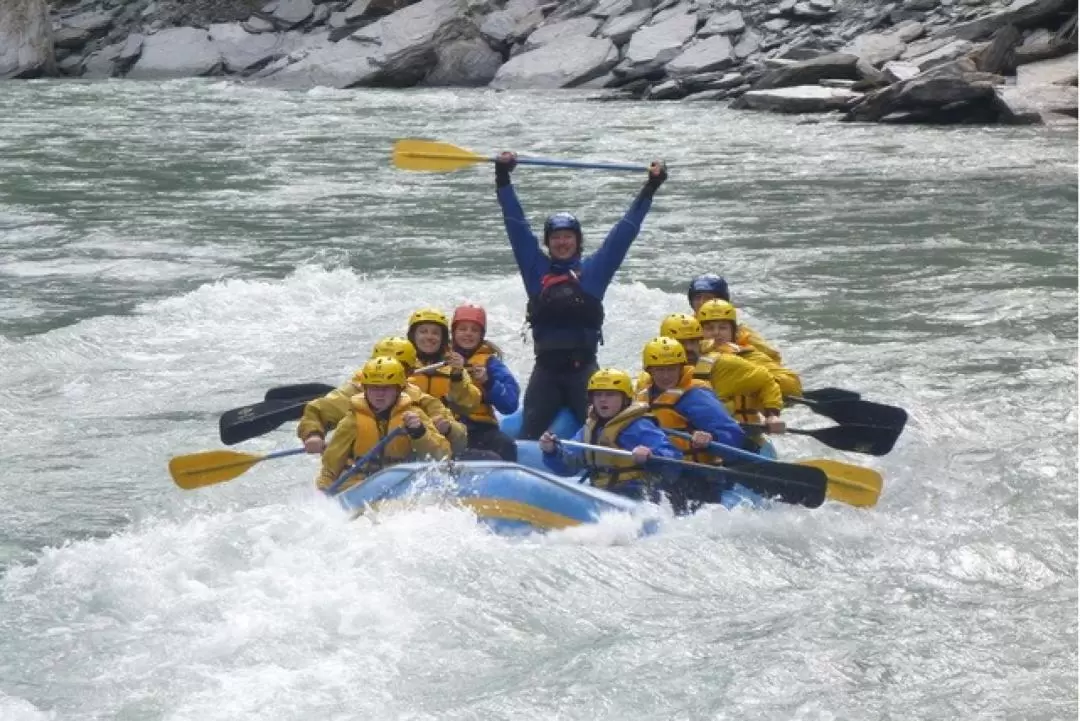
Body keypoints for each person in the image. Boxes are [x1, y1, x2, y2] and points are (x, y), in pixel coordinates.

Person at [494, 150, 668, 439]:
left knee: (602, 432)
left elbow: (625, 231)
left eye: (568, 236)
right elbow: (515, 224)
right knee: (527, 435)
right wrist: (502, 178)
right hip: (546, 372)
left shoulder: (594, 272)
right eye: (556, 237)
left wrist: (650, 187)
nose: (562, 242)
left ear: (578, 241)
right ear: (548, 242)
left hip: (583, 371)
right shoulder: (535, 269)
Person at [297, 336, 468, 456]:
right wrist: (313, 435)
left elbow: (459, 440)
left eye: (395, 367)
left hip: (406, 469)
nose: (386, 372)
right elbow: (317, 411)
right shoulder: (352, 394)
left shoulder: (421, 400)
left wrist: (449, 430)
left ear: (408, 372)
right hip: (358, 473)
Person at [537, 368, 681, 501]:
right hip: (602, 492)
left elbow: (673, 457)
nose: (603, 400)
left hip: (635, 494)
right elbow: (568, 467)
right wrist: (552, 452)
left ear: (625, 399)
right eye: (598, 395)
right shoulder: (589, 428)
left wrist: (651, 454)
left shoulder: (638, 426)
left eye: (610, 394)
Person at [315, 357, 451, 492]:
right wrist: (324, 492)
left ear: (399, 389)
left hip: (405, 483)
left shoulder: (415, 415)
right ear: (365, 389)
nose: (380, 394)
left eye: (386, 388)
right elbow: (329, 469)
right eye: (374, 388)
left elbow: (442, 456)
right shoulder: (352, 421)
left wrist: (420, 432)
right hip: (361, 485)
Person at [634, 336, 745, 463]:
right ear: (649, 370)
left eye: (671, 369)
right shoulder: (642, 397)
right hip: (660, 469)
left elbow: (733, 435)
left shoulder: (696, 395)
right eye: (660, 370)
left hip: (698, 473)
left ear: (681, 368)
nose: (666, 376)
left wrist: (712, 437)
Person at [449, 304, 521, 461]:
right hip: (448, 426)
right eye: (463, 329)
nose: (468, 334)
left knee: (505, 445)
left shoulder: (491, 363)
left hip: (480, 428)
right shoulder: (441, 359)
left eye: (474, 330)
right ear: (453, 333)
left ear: (481, 335)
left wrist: (488, 382)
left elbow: (510, 404)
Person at [696, 299, 803, 397]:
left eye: (723, 328)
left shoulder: (748, 356)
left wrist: (749, 377)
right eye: (709, 328)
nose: (716, 333)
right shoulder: (691, 356)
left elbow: (793, 385)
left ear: (733, 332)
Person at [404, 307, 483, 417]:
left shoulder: (454, 369)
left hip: (446, 429)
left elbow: (470, 405)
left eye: (435, 333)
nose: (429, 337)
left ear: (443, 339)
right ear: (413, 336)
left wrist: (457, 377)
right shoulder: (401, 366)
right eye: (423, 331)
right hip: (408, 428)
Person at [686, 273, 781, 362]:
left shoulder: (740, 332)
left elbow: (774, 356)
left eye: (708, 297)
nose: (702, 302)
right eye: (698, 298)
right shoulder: (684, 327)